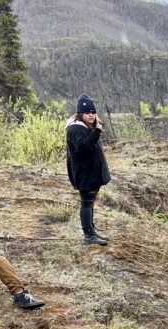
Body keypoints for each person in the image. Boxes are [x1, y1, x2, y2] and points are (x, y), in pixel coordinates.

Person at [66, 93, 111, 246]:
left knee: (89, 202)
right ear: (80, 113)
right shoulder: (75, 128)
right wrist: (97, 131)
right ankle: (89, 235)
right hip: (85, 174)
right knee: (86, 203)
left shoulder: (85, 127)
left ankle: (92, 232)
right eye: (87, 112)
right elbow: (85, 147)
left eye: (93, 112)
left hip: (89, 174)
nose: (91, 115)